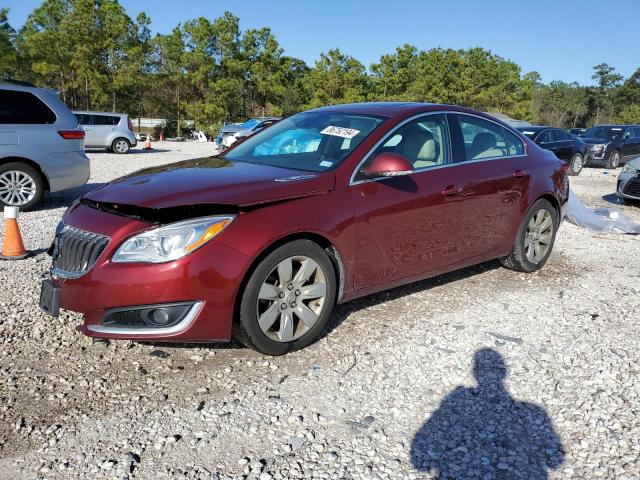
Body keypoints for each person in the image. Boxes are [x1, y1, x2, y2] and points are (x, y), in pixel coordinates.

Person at [411, 348, 565, 479]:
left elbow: (420, 459)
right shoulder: (535, 411)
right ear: (503, 371)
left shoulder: (456, 399)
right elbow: (556, 460)